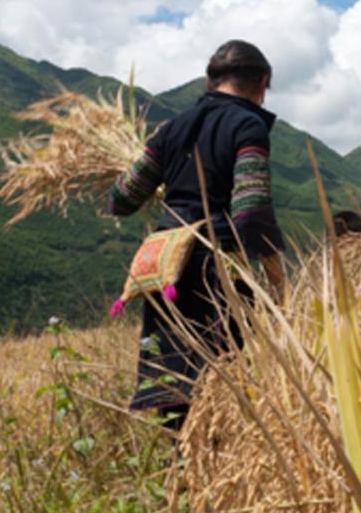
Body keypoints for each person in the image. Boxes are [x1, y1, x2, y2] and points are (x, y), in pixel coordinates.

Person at [107, 40, 286, 430]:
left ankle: (180, 477)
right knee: (220, 380)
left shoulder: (172, 128)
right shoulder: (248, 125)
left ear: (210, 82)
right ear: (263, 82)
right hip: (216, 267)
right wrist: (273, 271)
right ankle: (212, 474)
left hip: (167, 270)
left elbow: (122, 198)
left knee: (173, 381)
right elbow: (250, 209)